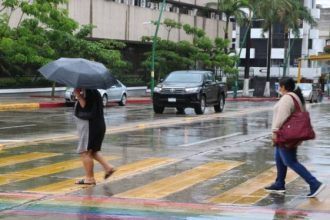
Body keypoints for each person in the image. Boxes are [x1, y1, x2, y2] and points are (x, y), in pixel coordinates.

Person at [264, 77, 325, 198]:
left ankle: (314, 183)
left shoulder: (287, 98)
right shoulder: (296, 96)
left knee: (290, 161)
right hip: (290, 134)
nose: (279, 88)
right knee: (279, 158)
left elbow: (282, 116)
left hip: (285, 135)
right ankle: (279, 183)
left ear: (283, 87)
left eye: (279, 86)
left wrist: (275, 131)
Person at [73, 88, 116, 185]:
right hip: (97, 125)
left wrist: (78, 95)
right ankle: (108, 167)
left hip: (90, 126)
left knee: (85, 152)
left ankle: (90, 178)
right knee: (93, 151)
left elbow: (85, 106)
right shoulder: (93, 91)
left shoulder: (88, 91)